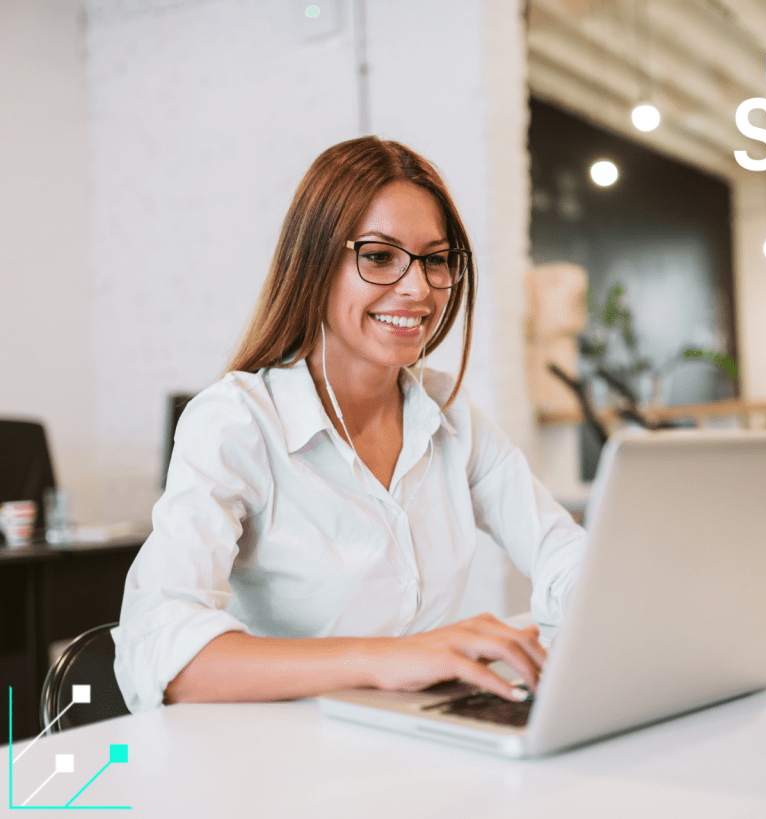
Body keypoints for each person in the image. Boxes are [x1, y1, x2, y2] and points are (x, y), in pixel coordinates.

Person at [112, 137, 586, 714]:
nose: (417, 289)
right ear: (313, 264)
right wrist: (386, 658)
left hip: (411, 740)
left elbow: (562, 551)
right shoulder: (235, 422)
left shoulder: (450, 414)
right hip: (273, 764)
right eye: (380, 256)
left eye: (436, 260)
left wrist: (602, 599)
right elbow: (161, 649)